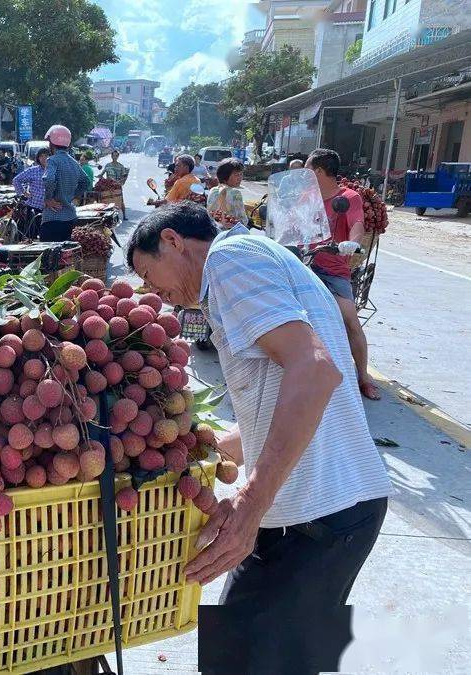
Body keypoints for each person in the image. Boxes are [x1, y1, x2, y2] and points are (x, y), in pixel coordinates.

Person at [126, 202, 391, 673]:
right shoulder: (255, 261)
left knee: (240, 662)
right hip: (334, 519)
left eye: (149, 274)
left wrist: (250, 504)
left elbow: (314, 371)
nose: (153, 292)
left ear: (172, 240)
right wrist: (201, 446)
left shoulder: (231, 260)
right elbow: (281, 406)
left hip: (319, 523)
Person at [306, 148, 380, 400]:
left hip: (331, 268)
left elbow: (357, 224)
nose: (304, 174)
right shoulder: (307, 196)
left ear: (318, 171)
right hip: (302, 264)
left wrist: (351, 243)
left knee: (350, 320)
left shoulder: (348, 197)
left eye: (307, 169)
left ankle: (362, 376)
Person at [41, 124, 89, 242]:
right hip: (70, 218)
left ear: (51, 143)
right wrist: (72, 196)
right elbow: (86, 181)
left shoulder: (52, 161)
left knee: (49, 257)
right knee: (66, 257)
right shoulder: (73, 162)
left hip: (52, 218)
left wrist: (48, 198)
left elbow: (49, 179)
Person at [12, 147, 49, 237]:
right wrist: (24, 193)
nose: (44, 158)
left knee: (47, 236)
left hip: (49, 209)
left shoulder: (55, 170)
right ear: (38, 158)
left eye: (46, 156)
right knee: (31, 235)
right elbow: (16, 180)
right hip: (34, 207)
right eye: (41, 156)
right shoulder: (33, 170)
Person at [206, 157, 247, 227]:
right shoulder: (236, 193)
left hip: (213, 231)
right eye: (236, 175)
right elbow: (243, 220)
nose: (240, 178)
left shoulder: (213, 190)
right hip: (230, 233)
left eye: (241, 174)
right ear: (225, 176)